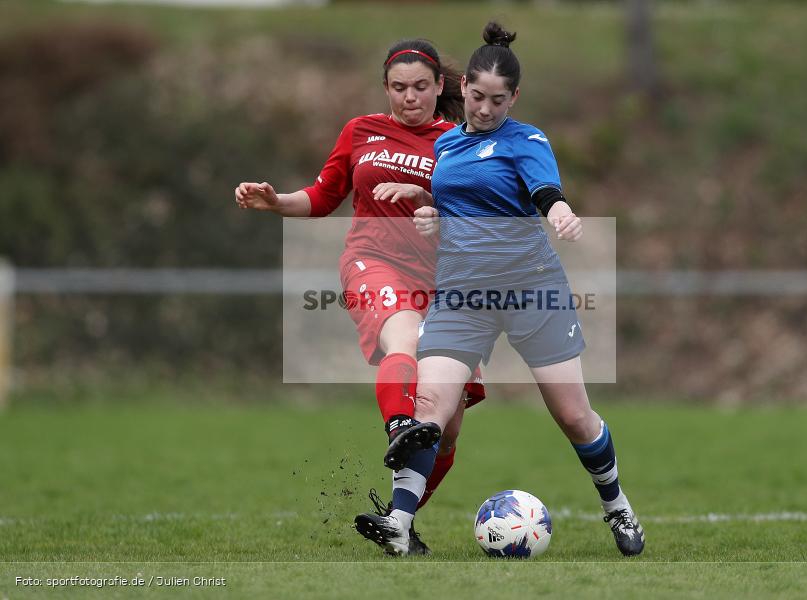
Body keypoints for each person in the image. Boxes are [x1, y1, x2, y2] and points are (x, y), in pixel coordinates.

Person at [355, 22, 645, 557]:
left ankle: (616, 505)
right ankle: (398, 522)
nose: (486, 110)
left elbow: (543, 189)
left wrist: (559, 211)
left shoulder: (527, 140)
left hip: (531, 290)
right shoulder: (446, 142)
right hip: (462, 293)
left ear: (515, 97)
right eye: (477, 97)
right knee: (429, 407)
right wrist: (432, 211)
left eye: (498, 100)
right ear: (461, 86)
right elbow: (463, 199)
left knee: (574, 417)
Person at [234, 39, 485, 555]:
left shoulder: (460, 141)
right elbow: (325, 195)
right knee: (403, 337)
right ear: (385, 88)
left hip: (446, 283)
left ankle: (400, 521)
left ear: (441, 87)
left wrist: (437, 208)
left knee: (451, 427)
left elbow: (483, 215)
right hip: (374, 262)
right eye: (398, 88)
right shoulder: (361, 131)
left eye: (420, 87)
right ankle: (400, 425)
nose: (408, 97)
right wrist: (277, 201)